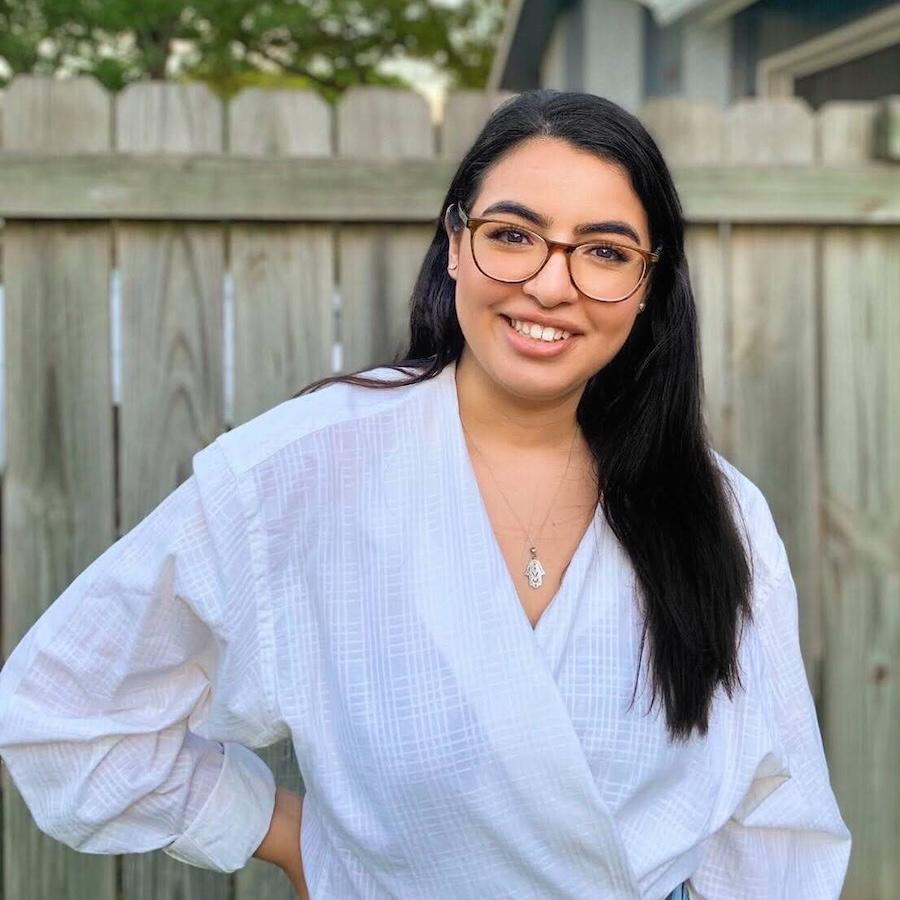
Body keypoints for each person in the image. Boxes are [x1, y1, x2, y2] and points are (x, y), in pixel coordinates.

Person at [0, 89, 850, 899]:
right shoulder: (302, 474)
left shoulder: (720, 516)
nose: (552, 285)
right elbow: (63, 711)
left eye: (603, 252)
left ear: (649, 285)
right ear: (454, 244)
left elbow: (774, 822)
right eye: (513, 234)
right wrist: (278, 830)